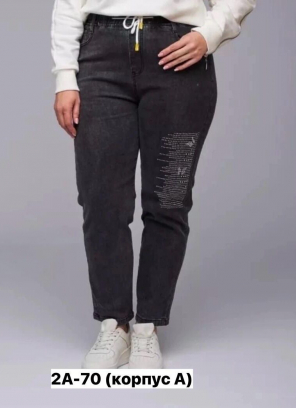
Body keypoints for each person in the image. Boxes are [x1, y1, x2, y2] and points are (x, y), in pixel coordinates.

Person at [50, 0, 255, 369]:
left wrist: (209, 34)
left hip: (179, 59)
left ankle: (147, 327)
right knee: (101, 200)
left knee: (169, 200)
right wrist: (65, 75)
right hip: (100, 58)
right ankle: (113, 324)